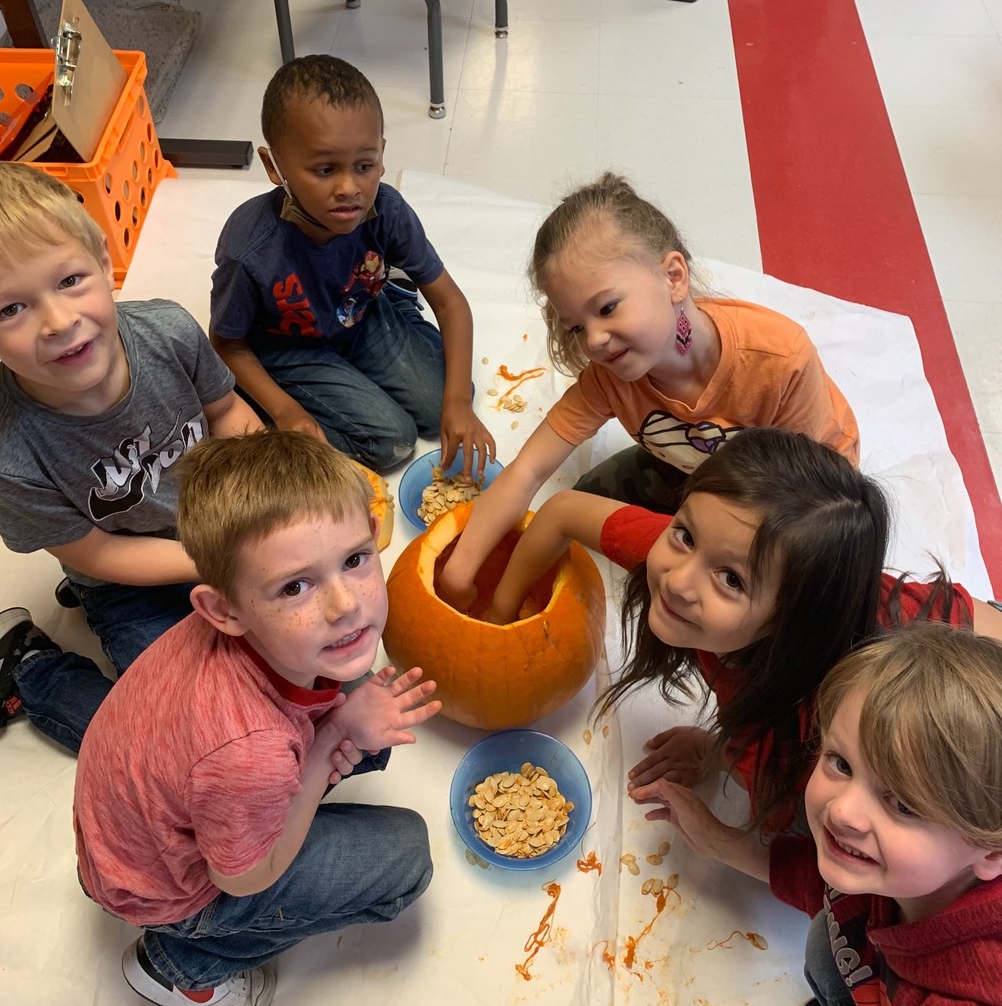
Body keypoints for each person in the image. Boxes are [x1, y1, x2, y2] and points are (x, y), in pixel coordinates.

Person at [74, 428, 441, 1006]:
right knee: (407, 859)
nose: (346, 605)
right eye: (295, 586)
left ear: (375, 537)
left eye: (354, 560)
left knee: (360, 691)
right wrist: (331, 744)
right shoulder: (249, 754)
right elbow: (242, 878)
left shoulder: (245, 644)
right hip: (173, 889)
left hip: (145, 819)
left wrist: (336, 732)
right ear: (223, 610)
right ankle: (180, 963)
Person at [480, 428, 1002, 831]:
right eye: (683, 533)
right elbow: (565, 510)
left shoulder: (803, 737)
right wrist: (500, 619)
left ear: (789, 623)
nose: (678, 581)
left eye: (731, 580)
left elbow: (817, 854)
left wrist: (723, 766)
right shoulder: (700, 557)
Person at [438, 173, 857, 608]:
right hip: (695, 465)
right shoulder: (609, 377)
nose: (594, 340)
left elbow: (805, 500)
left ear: (673, 277)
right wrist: (459, 570)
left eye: (607, 308)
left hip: (798, 486)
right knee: (585, 500)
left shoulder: (782, 358)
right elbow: (527, 470)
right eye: (577, 327)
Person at [0, 161, 262, 751]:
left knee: (308, 679)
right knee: (177, 742)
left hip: (215, 524)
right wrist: (216, 562)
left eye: (69, 281)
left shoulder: (169, 332)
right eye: (11, 310)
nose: (59, 322)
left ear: (107, 266)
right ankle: (32, 670)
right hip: (120, 580)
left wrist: (268, 504)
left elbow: (228, 413)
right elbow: (99, 551)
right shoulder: (1, 452)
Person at [651, 624, 1002, 1006]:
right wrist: (718, 842)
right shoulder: (895, 872)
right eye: (841, 763)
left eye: (902, 804)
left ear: (992, 853)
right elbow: (831, 892)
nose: (842, 811)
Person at [209, 53, 495, 477]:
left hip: (360, 315)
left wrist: (458, 404)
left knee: (451, 400)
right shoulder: (249, 251)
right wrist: (286, 411)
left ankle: (394, 302)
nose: (349, 188)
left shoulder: (387, 210)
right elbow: (227, 343)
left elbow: (451, 303)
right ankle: (268, 415)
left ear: (381, 154)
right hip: (289, 348)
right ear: (274, 167)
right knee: (390, 441)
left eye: (365, 166)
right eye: (324, 170)